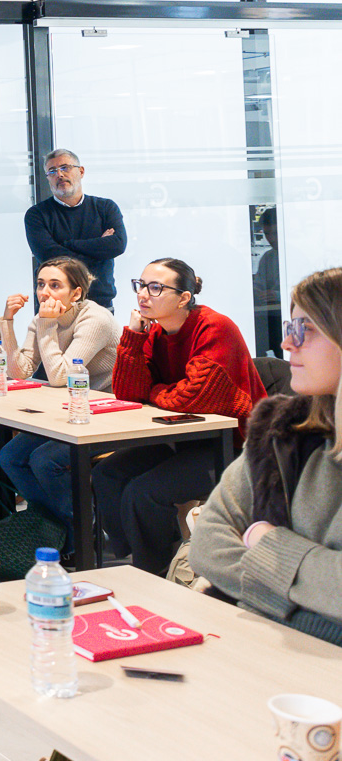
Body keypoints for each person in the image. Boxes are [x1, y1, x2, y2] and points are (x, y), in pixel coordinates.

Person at [190, 268, 342, 645]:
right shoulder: (282, 430)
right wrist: (307, 599)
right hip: (265, 647)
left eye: (305, 329)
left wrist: (269, 543)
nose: (287, 343)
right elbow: (206, 543)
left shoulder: (211, 330)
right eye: (292, 328)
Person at [92, 257, 267, 574]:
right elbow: (127, 390)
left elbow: (195, 395)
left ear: (184, 297)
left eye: (156, 287)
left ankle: (154, 570)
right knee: (107, 474)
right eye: (140, 285)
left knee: (142, 492)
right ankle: (138, 557)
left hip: (235, 446)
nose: (143, 294)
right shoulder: (154, 332)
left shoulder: (215, 327)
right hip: (183, 438)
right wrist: (133, 335)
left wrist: (154, 391)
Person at [0, 257, 121, 535]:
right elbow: (20, 371)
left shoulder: (95, 318)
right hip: (68, 411)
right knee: (9, 457)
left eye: (55, 285)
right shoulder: (43, 318)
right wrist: (7, 321)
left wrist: (47, 327)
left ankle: (80, 532)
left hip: (108, 413)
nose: (44, 293)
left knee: (44, 460)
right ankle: (54, 526)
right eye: (41, 284)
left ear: (76, 293)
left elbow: (61, 376)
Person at [24, 149, 127, 310]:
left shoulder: (106, 207)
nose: (59, 174)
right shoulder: (37, 214)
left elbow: (117, 245)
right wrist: (99, 247)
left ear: (81, 171)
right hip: (53, 305)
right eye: (52, 171)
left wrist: (69, 245)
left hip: (99, 303)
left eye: (65, 167)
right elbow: (50, 257)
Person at [253, 207, 282, 357]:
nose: (271, 238)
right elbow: (259, 283)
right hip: (267, 314)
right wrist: (256, 290)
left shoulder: (296, 254)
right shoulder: (267, 257)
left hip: (281, 314)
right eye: (267, 234)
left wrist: (277, 295)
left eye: (275, 233)